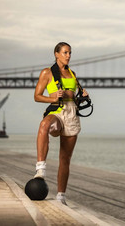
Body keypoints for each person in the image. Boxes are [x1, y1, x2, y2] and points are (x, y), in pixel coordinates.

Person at [33, 42, 88, 205]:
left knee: (65, 159)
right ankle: (41, 168)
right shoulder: (47, 73)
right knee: (44, 125)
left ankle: (61, 197)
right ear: (56, 54)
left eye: (70, 53)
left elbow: (74, 97)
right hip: (57, 110)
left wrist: (82, 96)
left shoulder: (73, 73)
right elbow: (37, 96)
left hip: (71, 113)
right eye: (65, 53)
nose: (68, 56)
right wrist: (52, 98)